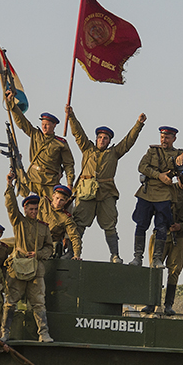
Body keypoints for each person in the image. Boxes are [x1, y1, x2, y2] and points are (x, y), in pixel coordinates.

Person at [66, 105, 146, 263]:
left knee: (110, 225)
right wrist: (71, 117)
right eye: (100, 137)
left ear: (109, 141)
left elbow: (128, 142)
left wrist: (138, 125)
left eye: (106, 138)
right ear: (96, 139)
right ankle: (71, 252)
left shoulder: (114, 153)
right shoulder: (88, 149)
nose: (102, 140)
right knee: (79, 223)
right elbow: (78, 134)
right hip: (86, 192)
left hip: (106, 193)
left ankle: (114, 255)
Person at [131, 126, 183, 268]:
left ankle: (157, 258)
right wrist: (159, 176)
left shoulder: (178, 154)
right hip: (147, 192)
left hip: (164, 195)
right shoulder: (153, 151)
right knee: (141, 225)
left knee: (162, 226)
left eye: (167, 137)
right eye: (162, 137)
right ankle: (137, 257)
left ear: (174, 139)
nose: (164, 140)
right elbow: (142, 166)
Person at [1, 172, 54, 343]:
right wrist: (9, 186)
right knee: (10, 302)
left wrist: (38, 254)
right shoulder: (19, 222)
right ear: (25, 209)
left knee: (39, 303)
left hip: (36, 269)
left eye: (36, 209)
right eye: (30, 209)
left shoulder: (44, 228)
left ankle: (43, 333)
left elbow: (49, 247)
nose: (33, 211)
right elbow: (11, 207)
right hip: (17, 268)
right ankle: (5, 332)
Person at [143, 169, 183, 315]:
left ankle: (168, 304)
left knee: (175, 270)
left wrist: (181, 227)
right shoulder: (166, 190)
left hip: (179, 236)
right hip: (161, 233)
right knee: (154, 269)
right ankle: (150, 303)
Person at [7, 92, 75, 196]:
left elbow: (68, 164)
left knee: (49, 210)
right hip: (33, 180)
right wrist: (12, 105)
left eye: (47, 125)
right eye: (43, 124)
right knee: (32, 210)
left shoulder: (61, 143)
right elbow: (22, 122)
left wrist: (70, 183)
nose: (44, 127)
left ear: (54, 125)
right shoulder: (35, 134)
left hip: (50, 183)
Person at [38, 184, 82, 260]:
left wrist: (77, 254)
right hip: (33, 240)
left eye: (62, 200)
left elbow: (74, 236)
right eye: (57, 198)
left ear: (66, 202)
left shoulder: (65, 218)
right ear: (53, 196)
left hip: (48, 246)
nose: (58, 202)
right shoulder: (43, 203)